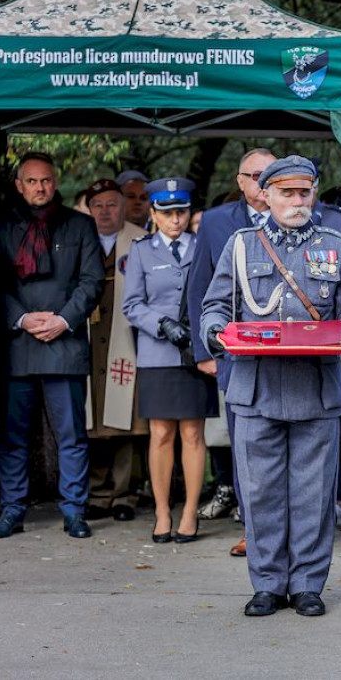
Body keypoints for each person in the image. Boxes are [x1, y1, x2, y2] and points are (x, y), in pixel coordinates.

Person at [201, 155, 341, 617]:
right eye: (286, 193)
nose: (296, 201)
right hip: (256, 390)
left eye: (304, 192)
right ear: (266, 194)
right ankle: (268, 583)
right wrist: (216, 332)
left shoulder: (336, 246)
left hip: (317, 389)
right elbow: (215, 306)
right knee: (260, 494)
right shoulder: (241, 246)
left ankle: (308, 585)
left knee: (314, 493)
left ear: (313, 193)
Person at [0, 152, 104, 540]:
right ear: (19, 185)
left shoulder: (80, 225)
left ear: (55, 182)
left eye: (45, 180)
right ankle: (12, 509)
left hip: (66, 341)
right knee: (12, 436)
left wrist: (62, 319)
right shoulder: (3, 226)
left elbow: (92, 282)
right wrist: (23, 318)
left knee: (72, 434)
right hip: (16, 343)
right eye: (31, 181)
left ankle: (74, 510)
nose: (39, 188)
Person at [188, 148, 277, 557]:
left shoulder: (295, 214)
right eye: (254, 175)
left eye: (268, 174)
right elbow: (200, 288)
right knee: (245, 444)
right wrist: (205, 348)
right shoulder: (216, 222)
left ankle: (292, 526)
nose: (261, 181)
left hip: (288, 353)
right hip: (236, 355)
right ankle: (253, 528)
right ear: (240, 181)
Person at [123, 178, 217, 544]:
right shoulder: (142, 251)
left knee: (193, 434)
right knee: (160, 433)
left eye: (181, 212)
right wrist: (161, 324)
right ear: (154, 214)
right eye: (167, 213)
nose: (176, 219)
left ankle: (190, 511)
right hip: (158, 352)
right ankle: (162, 511)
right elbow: (132, 304)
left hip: (194, 353)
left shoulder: (202, 247)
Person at [82, 179, 149, 523]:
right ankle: (97, 493)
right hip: (89, 337)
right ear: (88, 207)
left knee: (127, 423)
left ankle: (125, 494)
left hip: (127, 338)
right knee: (92, 420)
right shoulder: (78, 238)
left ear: (123, 207)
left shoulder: (140, 239)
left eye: (113, 204)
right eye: (99, 205)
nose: (106, 212)